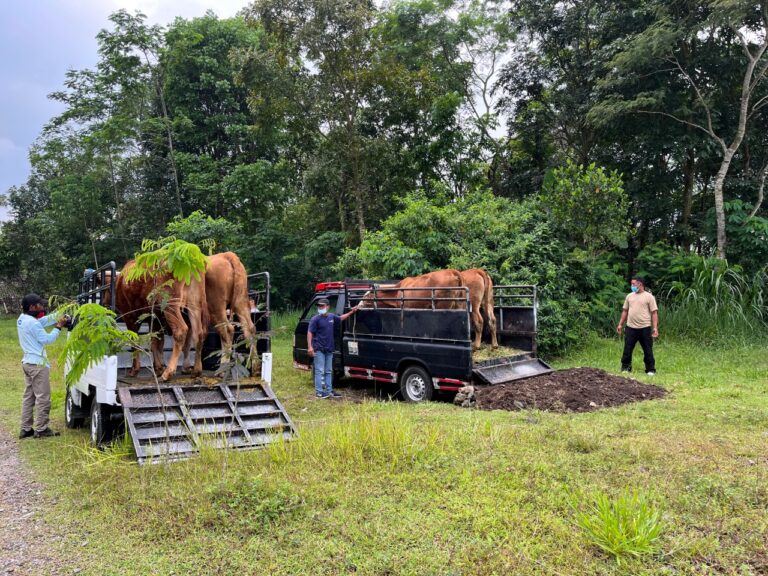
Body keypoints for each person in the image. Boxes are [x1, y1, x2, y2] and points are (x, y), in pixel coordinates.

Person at [17, 294, 68, 438]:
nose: (42, 307)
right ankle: (41, 429)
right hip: (38, 365)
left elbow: (42, 321)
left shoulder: (22, 319)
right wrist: (58, 326)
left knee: (29, 397)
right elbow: (47, 339)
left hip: (27, 363)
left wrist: (59, 314)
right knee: (43, 398)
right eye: (40, 305)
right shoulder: (32, 323)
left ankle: (26, 429)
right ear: (32, 307)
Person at [308, 298, 359, 399]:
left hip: (329, 349)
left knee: (328, 371)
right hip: (319, 349)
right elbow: (310, 332)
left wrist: (351, 312)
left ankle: (329, 391)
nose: (320, 308)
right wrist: (310, 347)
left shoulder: (331, 317)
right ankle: (319, 393)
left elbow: (340, 318)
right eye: (319, 306)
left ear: (328, 307)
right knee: (319, 371)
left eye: (322, 306)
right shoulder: (315, 319)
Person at [616, 277, 659, 376]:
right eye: (631, 284)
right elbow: (625, 311)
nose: (632, 286)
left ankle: (650, 369)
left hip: (645, 328)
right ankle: (626, 368)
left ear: (640, 284)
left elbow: (654, 313)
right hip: (630, 328)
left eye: (633, 284)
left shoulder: (649, 297)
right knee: (627, 349)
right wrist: (620, 324)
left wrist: (655, 327)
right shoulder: (629, 296)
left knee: (648, 350)